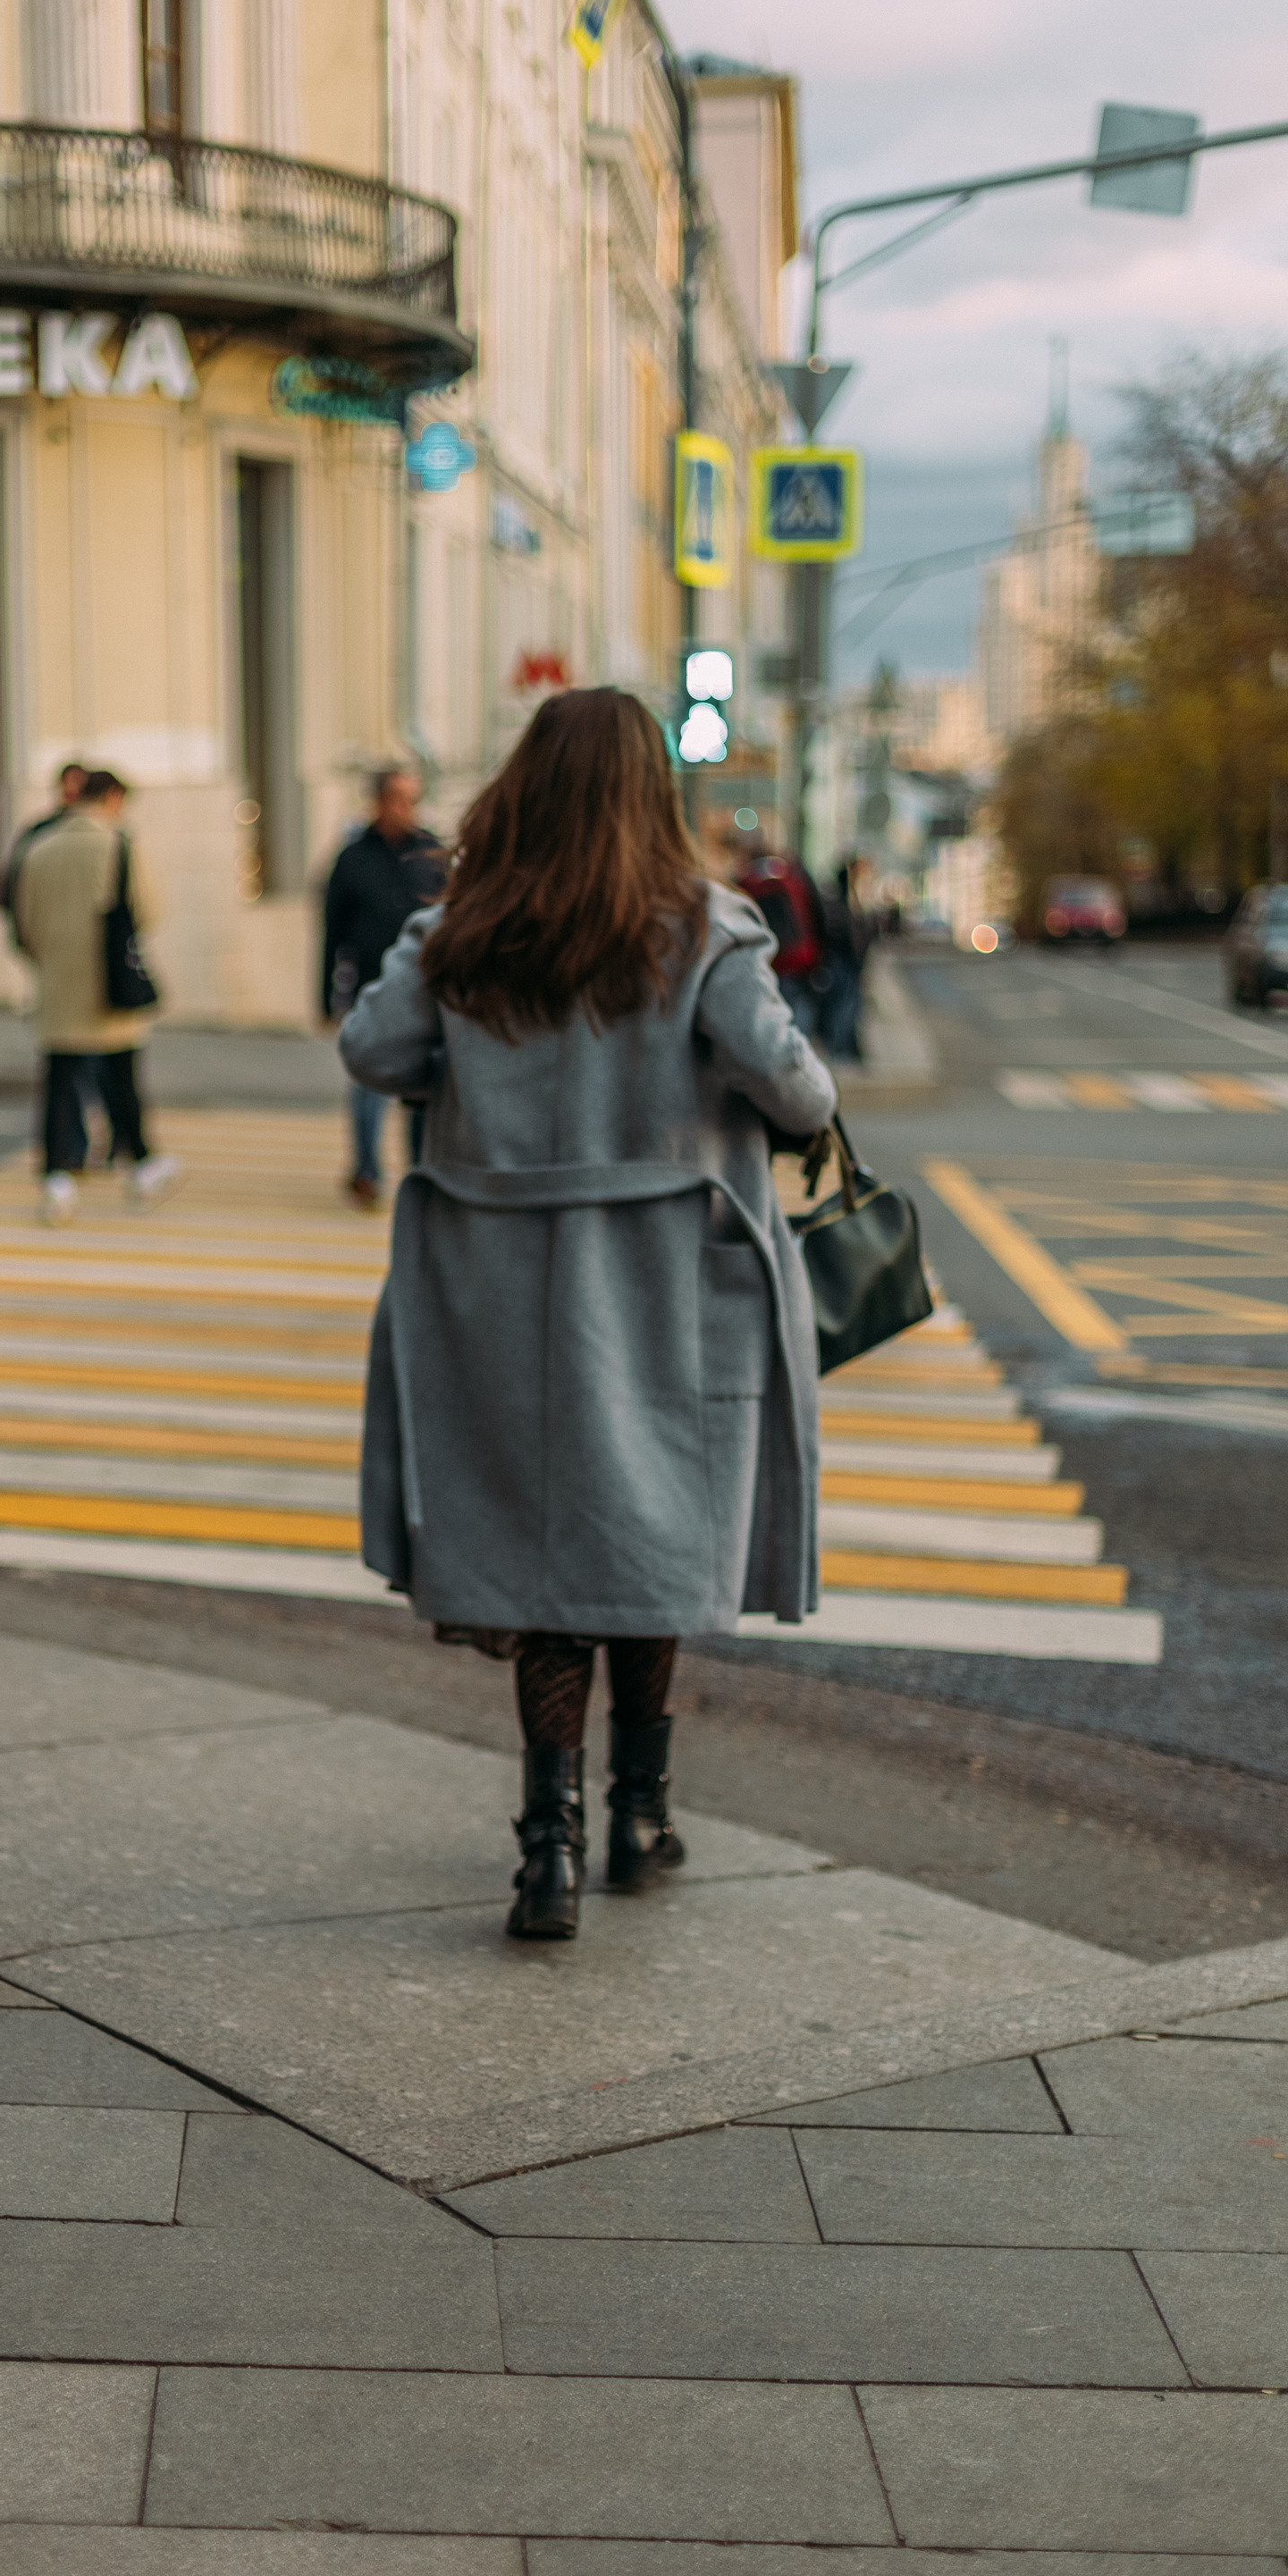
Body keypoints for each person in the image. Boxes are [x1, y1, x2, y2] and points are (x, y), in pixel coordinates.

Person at [339, 687, 834, 1942]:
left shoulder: (461, 929)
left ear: (524, 789)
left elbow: (372, 1052)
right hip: (667, 1282)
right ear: (648, 797)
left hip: (497, 1288)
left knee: (543, 1555)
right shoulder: (702, 931)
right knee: (649, 1536)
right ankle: (638, 1816)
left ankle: (545, 1849)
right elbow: (795, 1088)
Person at [12, 767, 181, 1221]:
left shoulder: (39, 848)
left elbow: (23, 924)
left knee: (59, 1080)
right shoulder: (120, 844)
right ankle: (141, 1160)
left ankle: (56, 1175)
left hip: (57, 984)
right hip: (108, 983)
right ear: (110, 799)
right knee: (123, 1075)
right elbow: (147, 910)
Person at [320, 763, 447, 1207]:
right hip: (370, 985)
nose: (405, 808)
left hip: (425, 991)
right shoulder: (353, 858)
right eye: (396, 798)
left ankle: (420, 1168)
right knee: (369, 1082)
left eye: (412, 799)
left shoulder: (431, 853)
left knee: (419, 1088)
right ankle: (366, 1171)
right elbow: (330, 931)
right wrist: (324, 996)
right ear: (376, 801)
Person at [734, 840, 829, 1040]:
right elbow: (817, 914)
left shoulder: (745, 883)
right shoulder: (792, 878)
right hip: (800, 958)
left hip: (766, 962)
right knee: (796, 1015)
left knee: (771, 1017)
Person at [2, 759, 87, 933]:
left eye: (78, 784)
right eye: (67, 783)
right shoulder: (39, 831)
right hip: (49, 927)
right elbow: (15, 877)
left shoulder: (102, 833)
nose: (71, 789)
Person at [818, 856, 871, 1064]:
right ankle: (841, 1051)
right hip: (845, 961)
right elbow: (845, 933)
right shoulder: (842, 899)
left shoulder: (850, 896)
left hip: (850, 962)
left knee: (849, 1007)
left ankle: (845, 1049)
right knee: (843, 1007)